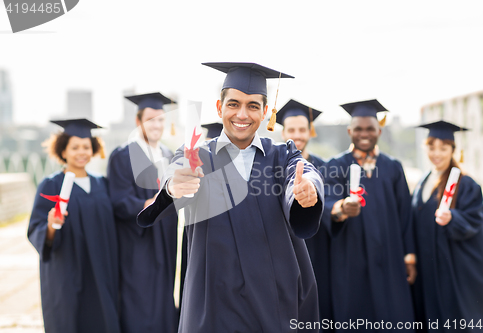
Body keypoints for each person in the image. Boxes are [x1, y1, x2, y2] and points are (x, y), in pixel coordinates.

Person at [138, 62, 325, 332]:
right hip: (214, 298)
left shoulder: (282, 155)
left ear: (265, 112)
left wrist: (308, 190)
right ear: (219, 107)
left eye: (252, 106)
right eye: (234, 104)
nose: (242, 114)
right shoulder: (196, 155)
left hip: (272, 297)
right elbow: (174, 173)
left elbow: (306, 172)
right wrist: (172, 187)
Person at [322, 99, 416, 331]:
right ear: (349, 131)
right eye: (358, 129)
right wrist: (341, 208)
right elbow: (327, 202)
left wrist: (409, 257)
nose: (364, 134)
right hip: (351, 257)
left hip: (389, 257)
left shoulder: (393, 167)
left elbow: (405, 214)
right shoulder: (335, 165)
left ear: (379, 131)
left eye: (370, 129)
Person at [28, 119, 120, 333]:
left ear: (94, 149)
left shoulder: (102, 183)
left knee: (103, 319)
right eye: (75, 147)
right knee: (69, 321)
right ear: (63, 150)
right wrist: (51, 225)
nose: (82, 152)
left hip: (101, 269)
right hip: (67, 271)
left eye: (86, 147)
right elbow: (37, 229)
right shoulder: (51, 184)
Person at [107, 92, 185, 333]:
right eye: (151, 119)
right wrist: (149, 204)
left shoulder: (169, 155)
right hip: (137, 239)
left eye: (161, 119)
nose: (157, 125)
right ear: (138, 121)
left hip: (166, 236)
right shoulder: (122, 155)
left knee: (164, 291)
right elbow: (118, 200)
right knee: (138, 295)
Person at [412, 120, 483, 332]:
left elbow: (474, 221)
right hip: (428, 267)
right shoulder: (424, 181)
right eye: (431, 147)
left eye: (443, 148)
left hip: (452, 267)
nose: (437, 154)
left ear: (453, 150)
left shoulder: (466, 184)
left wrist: (453, 217)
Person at [276, 99, 331, 324]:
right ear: (283, 133)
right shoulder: (273, 167)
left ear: (311, 131)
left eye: (302, 129)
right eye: (291, 130)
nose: (297, 135)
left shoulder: (325, 167)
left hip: (319, 252)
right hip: (285, 254)